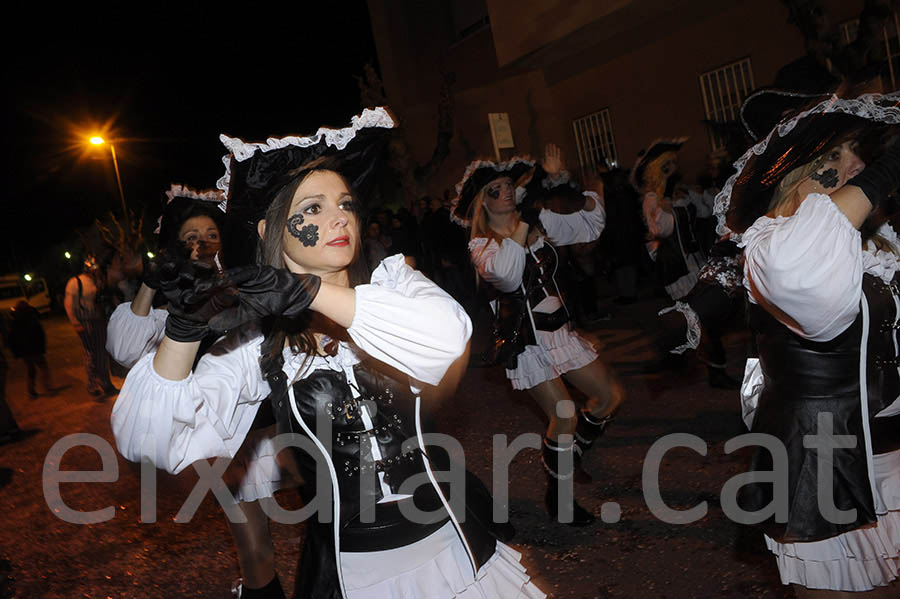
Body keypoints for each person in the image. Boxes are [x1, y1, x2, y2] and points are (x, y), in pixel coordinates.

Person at [112, 107, 544, 599]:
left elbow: (447, 339)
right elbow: (150, 442)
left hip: (456, 552)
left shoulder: (394, 284)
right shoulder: (258, 344)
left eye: (345, 203)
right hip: (351, 576)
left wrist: (308, 293)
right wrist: (183, 331)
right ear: (268, 230)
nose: (340, 215)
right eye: (313, 208)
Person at [718, 91, 900, 597]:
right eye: (837, 157)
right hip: (823, 462)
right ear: (794, 172)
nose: (859, 166)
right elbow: (815, 297)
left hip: (891, 459)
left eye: (858, 154)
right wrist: (886, 172)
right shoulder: (775, 247)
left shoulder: (875, 241)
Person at [107, 184, 289, 598]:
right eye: (190, 238)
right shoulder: (171, 311)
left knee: (337, 513)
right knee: (254, 547)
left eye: (210, 234)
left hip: (289, 427)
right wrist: (153, 284)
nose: (202, 243)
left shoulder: (254, 286)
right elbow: (122, 349)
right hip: (232, 444)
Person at [451, 143, 624, 526]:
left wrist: (572, 186)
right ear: (483, 202)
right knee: (564, 417)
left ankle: (567, 458)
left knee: (610, 397)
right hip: (527, 343)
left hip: (560, 331)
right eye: (495, 189)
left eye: (508, 185)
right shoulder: (482, 246)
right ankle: (559, 499)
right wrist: (525, 224)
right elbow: (510, 276)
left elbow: (590, 225)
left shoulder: (537, 221)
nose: (506, 191)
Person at [631, 138, 707, 300]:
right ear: (658, 169)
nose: (674, 168)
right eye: (668, 164)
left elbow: (705, 212)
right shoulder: (652, 199)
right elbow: (662, 229)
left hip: (698, 260)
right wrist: (666, 198)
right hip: (677, 267)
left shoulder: (683, 192)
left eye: (675, 162)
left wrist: (697, 193)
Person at [64, 253, 118, 398]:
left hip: (98, 320)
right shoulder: (75, 282)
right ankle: (92, 386)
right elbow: (69, 305)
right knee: (90, 354)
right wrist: (75, 323)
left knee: (101, 353)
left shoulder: (98, 280)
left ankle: (105, 384)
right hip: (85, 321)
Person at [6, 301, 54, 398]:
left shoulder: (15, 322)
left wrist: (16, 353)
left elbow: (12, 339)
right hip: (35, 349)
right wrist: (42, 348)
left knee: (31, 370)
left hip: (25, 352)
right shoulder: (33, 319)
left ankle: (31, 390)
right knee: (43, 367)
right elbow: (40, 335)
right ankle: (47, 387)